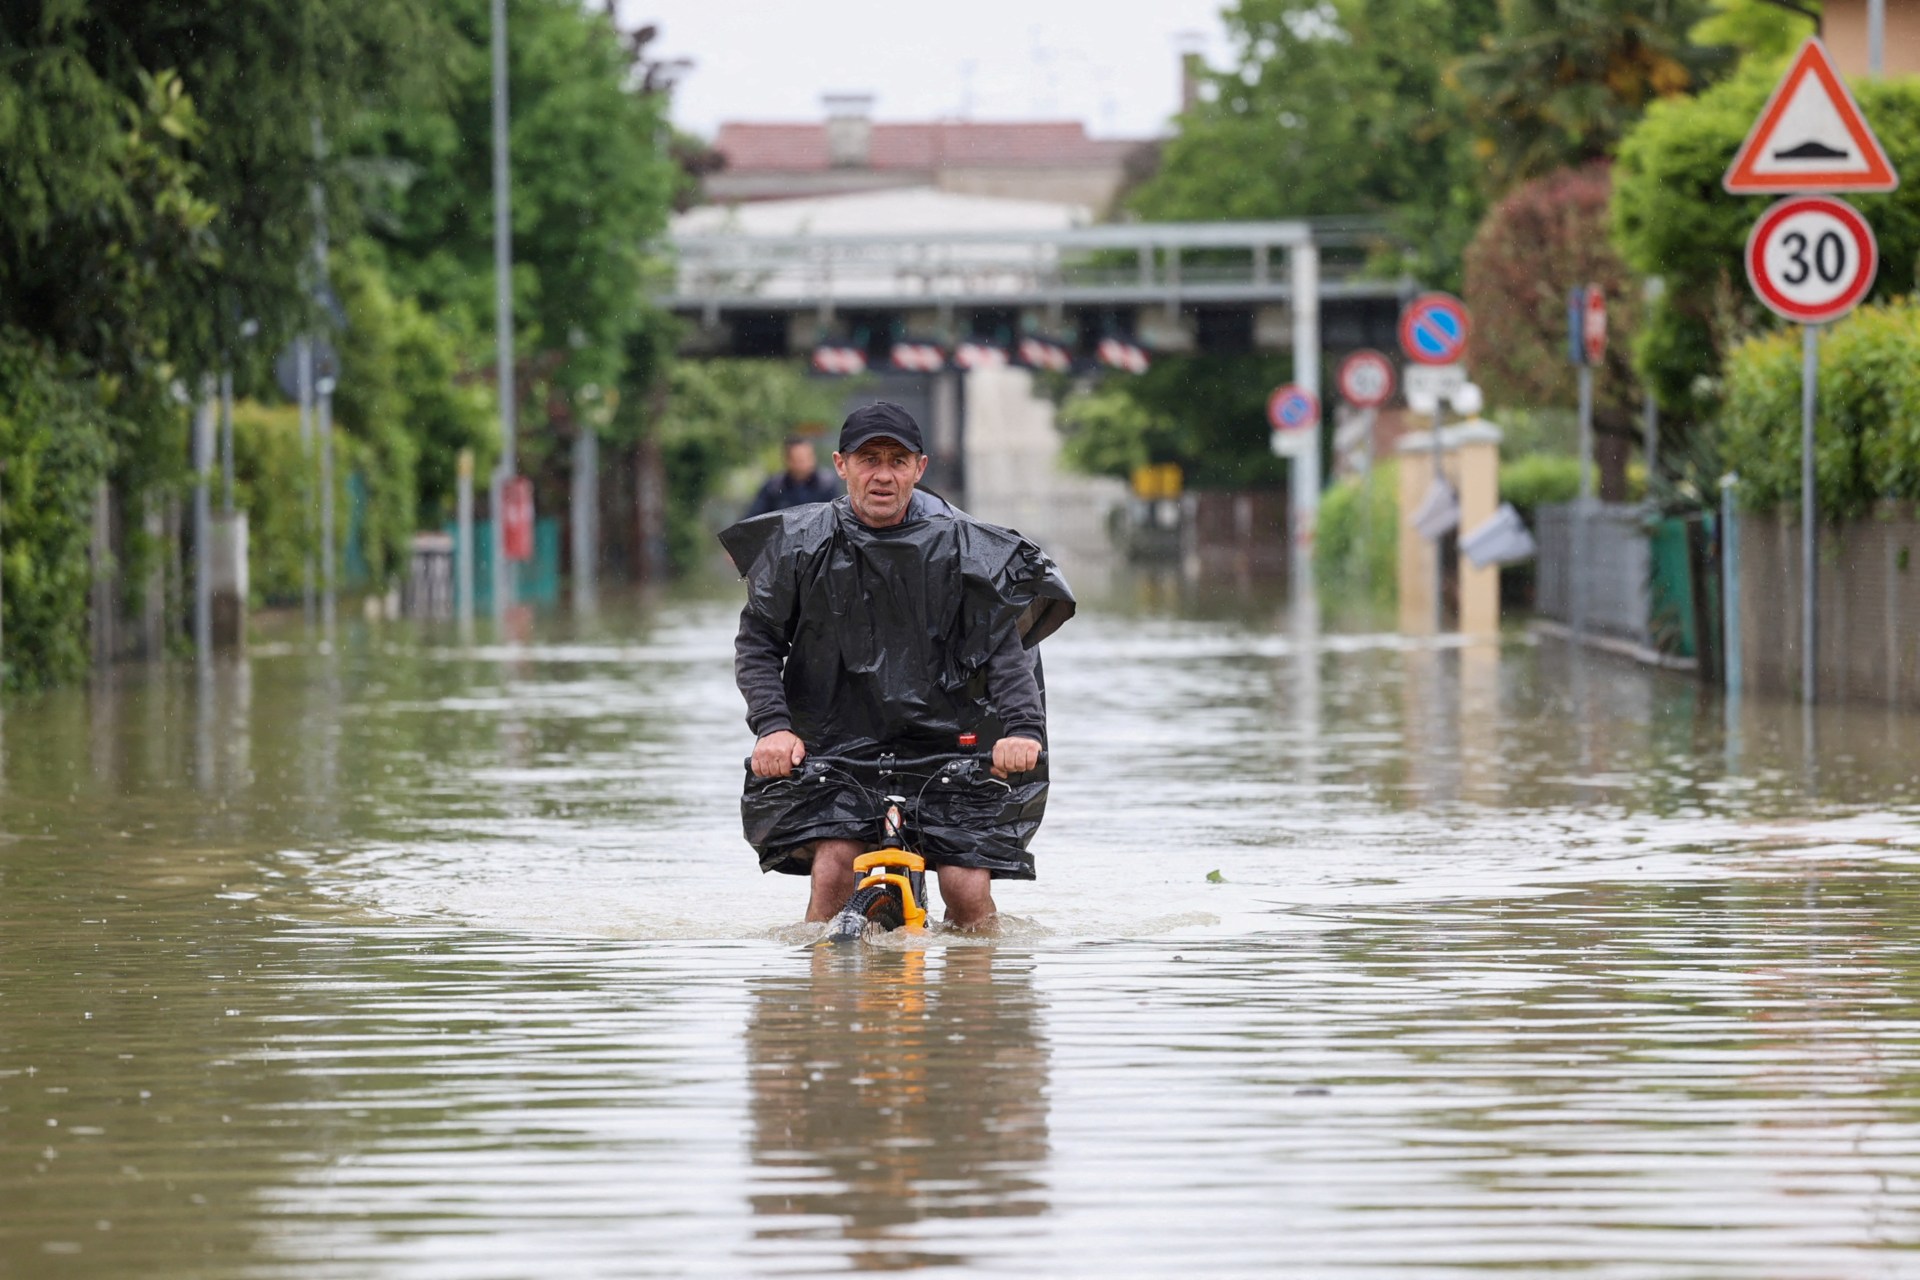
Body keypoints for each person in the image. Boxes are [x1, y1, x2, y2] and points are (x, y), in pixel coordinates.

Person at [720, 402, 1074, 930]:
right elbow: (758, 644)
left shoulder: (966, 550)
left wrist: (1021, 730)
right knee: (834, 871)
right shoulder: (799, 546)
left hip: (950, 745)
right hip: (837, 747)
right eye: (868, 460)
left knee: (966, 887)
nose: (882, 475)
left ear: (919, 467)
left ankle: (977, 1003)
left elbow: (1004, 651)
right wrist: (772, 728)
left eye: (897, 460)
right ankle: (811, 1009)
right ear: (841, 466)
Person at [744, 434, 840, 517]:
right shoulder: (774, 488)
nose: (806, 463)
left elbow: (834, 519)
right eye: (800, 459)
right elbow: (754, 517)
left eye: (809, 457)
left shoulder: (826, 485)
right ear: (788, 460)